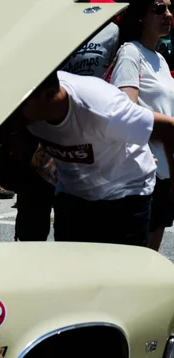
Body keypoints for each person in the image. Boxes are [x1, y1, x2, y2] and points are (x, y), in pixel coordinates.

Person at [20, 70, 174, 247]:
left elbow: (170, 128)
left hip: (125, 195)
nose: (14, 110)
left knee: (121, 271)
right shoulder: (27, 106)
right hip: (74, 194)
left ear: (48, 96)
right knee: (72, 268)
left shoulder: (103, 108)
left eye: (21, 103)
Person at [13, 15, 121, 241]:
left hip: (83, 130)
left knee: (73, 218)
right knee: (33, 213)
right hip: (41, 126)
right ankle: (28, 269)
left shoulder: (110, 29)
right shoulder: (46, 23)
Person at [111, 0, 174, 251]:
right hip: (146, 171)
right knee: (137, 256)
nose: (168, 14)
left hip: (166, 171)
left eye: (170, 8)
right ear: (140, 17)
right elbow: (126, 108)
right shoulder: (130, 52)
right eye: (159, 9)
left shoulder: (160, 58)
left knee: (151, 252)